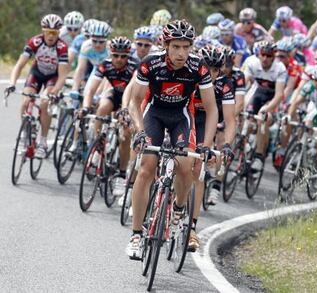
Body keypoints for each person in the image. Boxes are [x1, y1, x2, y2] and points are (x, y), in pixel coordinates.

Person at [125, 20, 218, 260]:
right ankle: (136, 235)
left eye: (186, 47)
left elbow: (211, 108)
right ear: (166, 45)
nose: (182, 53)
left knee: (186, 167)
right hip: (154, 114)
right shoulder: (150, 64)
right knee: (146, 168)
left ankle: (178, 210)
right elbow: (135, 102)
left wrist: (206, 145)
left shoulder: (199, 68)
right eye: (176, 46)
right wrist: (140, 131)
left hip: (181, 117)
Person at [79, 36, 138, 196]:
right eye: (115, 55)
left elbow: (134, 94)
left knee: (125, 135)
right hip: (115, 94)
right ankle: (98, 145)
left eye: (123, 56)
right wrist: (85, 107)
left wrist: (125, 111)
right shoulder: (105, 65)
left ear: (128, 56)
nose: (119, 59)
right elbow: (91, 90)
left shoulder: (134, 67)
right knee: (102, 107)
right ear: (110, 54)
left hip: (131, 100)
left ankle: (121, 173)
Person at [190, 45, 236, 250]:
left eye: (215, 69)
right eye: (206, 66)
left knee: (198, 170)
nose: (210, 72)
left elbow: (230, 120)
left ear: (221, 70)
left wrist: (226, 144)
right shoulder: (190, 75)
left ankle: (191, 228)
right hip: (184, 117)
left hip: (205, 122)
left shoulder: (224, 85)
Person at [5, 14, 69, 158]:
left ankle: (43, 141)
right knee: (26, 99)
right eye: (48, 32)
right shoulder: (35, 41)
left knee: (44, 102)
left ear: (59, 33)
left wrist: (55, 91)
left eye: (54, 33)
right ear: (43, 31)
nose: (51, 36)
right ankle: (25, 131)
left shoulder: (62, 47)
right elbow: (19, 65)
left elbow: (63, 76)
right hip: (37, 73)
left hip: (53, 77)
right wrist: (12, 83)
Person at [242, 41, 287, 171]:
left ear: (273, 57)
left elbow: (279, 95)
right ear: (259, 54)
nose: (265, 58)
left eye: (269, 56)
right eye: (263, 55)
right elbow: (243, 84)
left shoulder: (280, 68)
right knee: (246, 116)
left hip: (271, 98)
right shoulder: (252, 63)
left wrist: (267, 109)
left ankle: (259, 156)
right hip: (257, 94)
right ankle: (243, 146)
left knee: (263, 119)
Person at [70, 21, 111, 103]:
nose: (97, 45)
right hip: (96, 69)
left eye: (101, 42)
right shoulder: (86, 46)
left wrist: (98, 93)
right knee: (86, 95)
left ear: (106, 40)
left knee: (102, 97)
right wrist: (74, 88)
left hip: (109, 73)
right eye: (94, 41)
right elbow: (80, 69)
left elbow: (107, 76)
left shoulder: (110, 49)